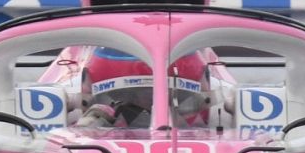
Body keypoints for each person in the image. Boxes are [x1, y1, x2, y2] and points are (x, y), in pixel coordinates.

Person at [77, 47, 213, 128]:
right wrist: (84, 130)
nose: (150, 103)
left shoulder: (222, 114)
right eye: (133, 95)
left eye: (168, 92)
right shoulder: (80, 113)